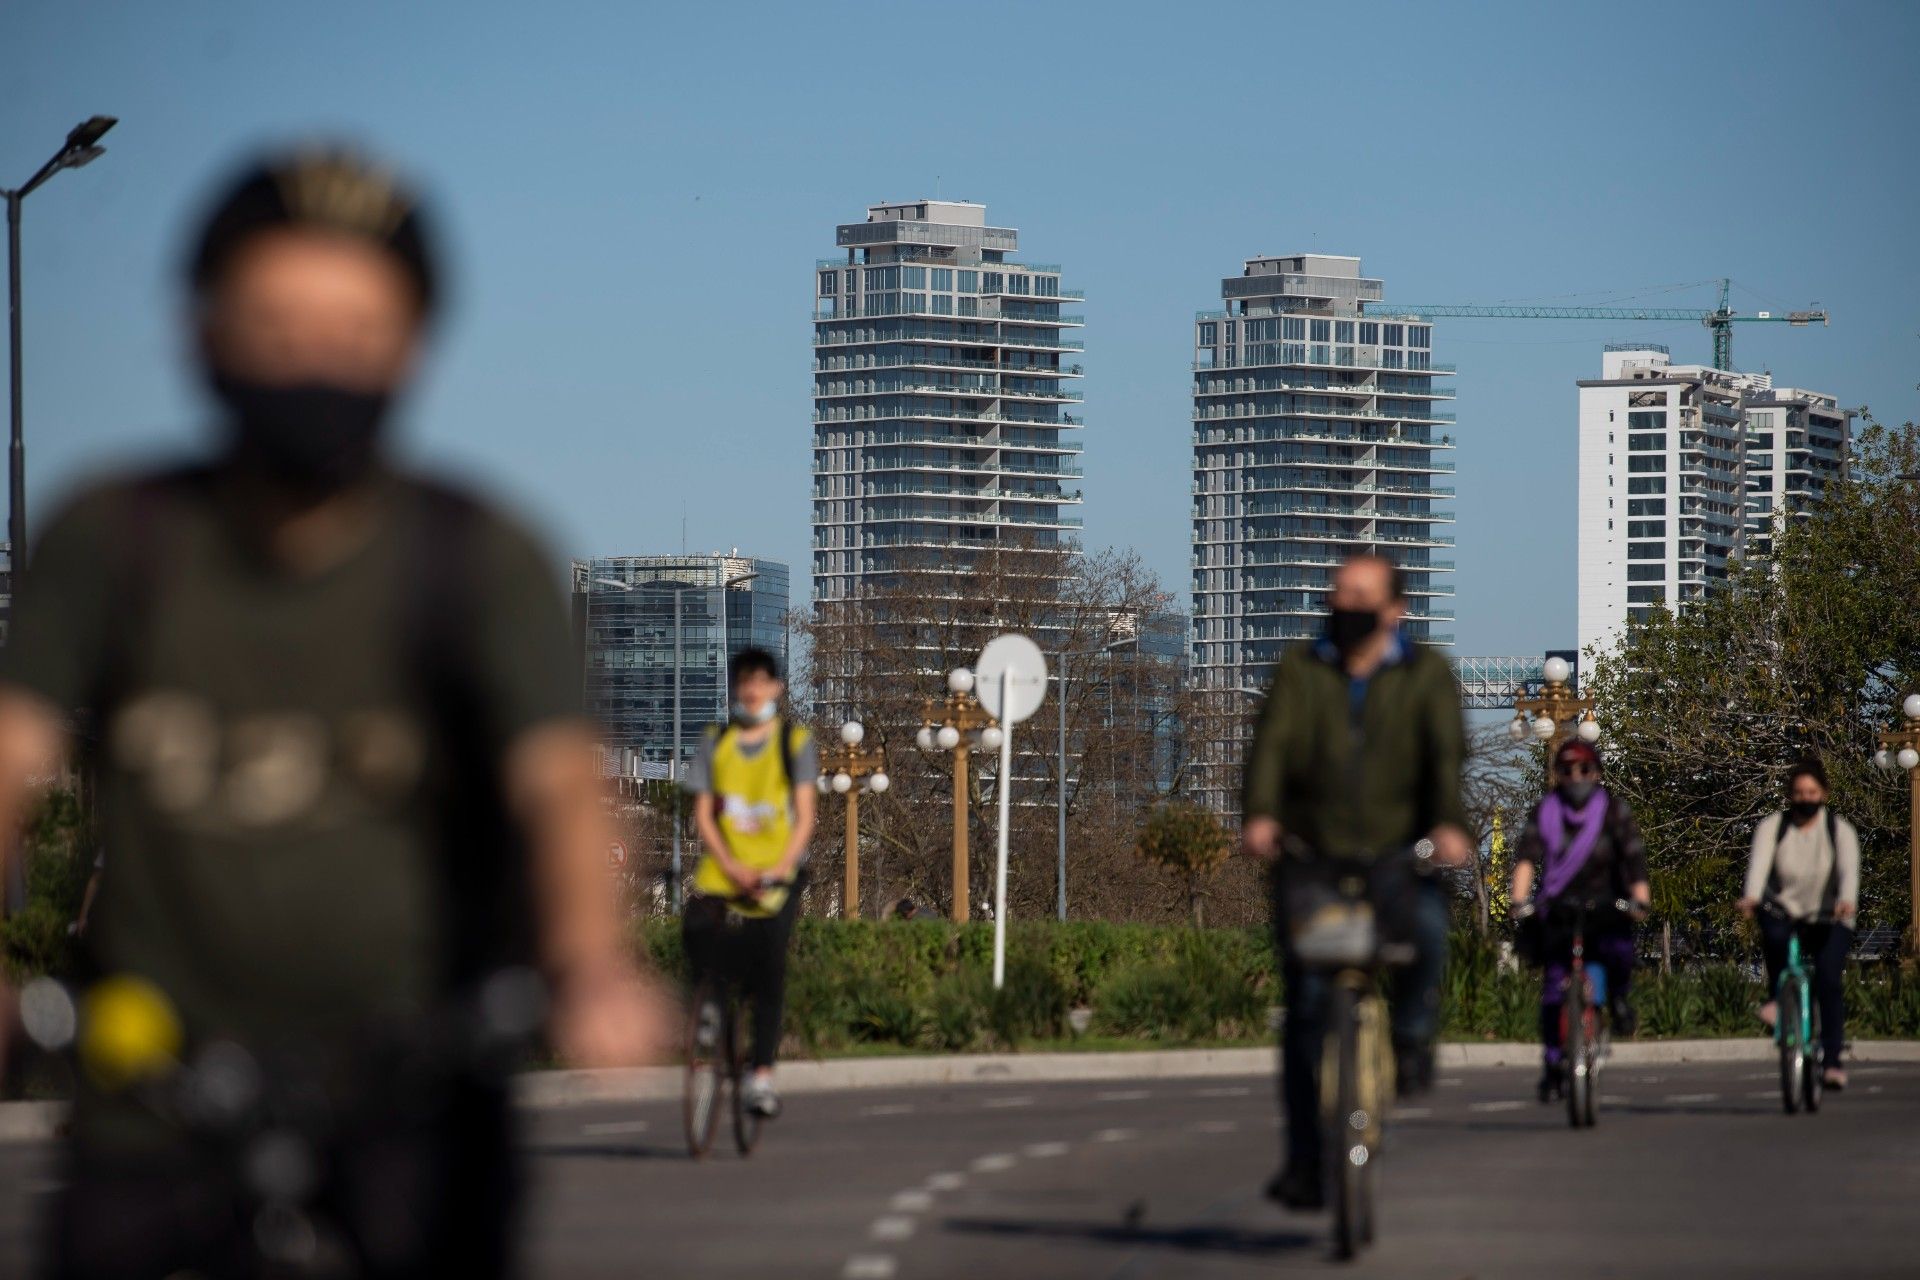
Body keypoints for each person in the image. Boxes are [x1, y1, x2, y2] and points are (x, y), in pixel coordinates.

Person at [0, 145, 666, 1278]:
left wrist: (592, 963)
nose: (316, 363)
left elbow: (557, 781)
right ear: (202, 329)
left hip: (413, 1095)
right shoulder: (116, 539)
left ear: (412, 347)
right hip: (152, 1091)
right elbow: (12, 752)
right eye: (276, 323)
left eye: (356, 333)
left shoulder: (473, 557)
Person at [1241, 553, 1471, 1212]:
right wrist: (1261, 816)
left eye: (1362, 596)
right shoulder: (1300, 668)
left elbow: (1444, 758)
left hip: (1399, 853)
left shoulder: (1425, 674)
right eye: (1339, 593)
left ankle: (1412, 1037)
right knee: (1306, 1010)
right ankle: (1305, 1162)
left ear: (1395, 609)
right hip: (1315, 854)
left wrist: (1448, 827)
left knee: (1428, 933)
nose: (1346, 605)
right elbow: (1272, 749)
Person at [681, 647, 817, 1119]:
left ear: (776, 687)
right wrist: (732, 866)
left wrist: (777, 869)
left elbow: (804, 817)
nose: (751, 689)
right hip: (726, 869)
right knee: (697, 930)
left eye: (760, 680)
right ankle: (710, 1010)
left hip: (776, 873)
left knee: (769, 969)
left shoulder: (793, 743)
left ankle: (761, 1076)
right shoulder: (714, 741)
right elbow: (703, 813)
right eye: (743, 681)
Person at [1509, 737, 1651, 1102]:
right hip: (1559, 905)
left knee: (1618, 950)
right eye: (1567, 770)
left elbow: (1633, 856)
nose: (1577, 777)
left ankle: (1617, 1000)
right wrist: (1519, 900)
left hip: (1605, 902)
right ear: (1557, 775)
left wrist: (1639, 897)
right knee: (1554, 985)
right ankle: (1553, 1063)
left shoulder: (1613, 811)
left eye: (1585, 769)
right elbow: (1527, 856)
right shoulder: (1546, 810)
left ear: (1598, 773)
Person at [1737, 758, 1859, 1090]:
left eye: (1812, 792)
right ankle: (1778, 999)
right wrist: (1750, 897)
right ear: (1790, 795)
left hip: (1829, 915)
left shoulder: (1839, 830)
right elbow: (1758, 867)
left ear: (1824, 794)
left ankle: (1832, 1061)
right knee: (1775, 938)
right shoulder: (1772, 827)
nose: (1806, 798)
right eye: (1799, 792)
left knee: (1829, 979)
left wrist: (1846, 900)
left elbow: (1849, 872)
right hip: (1783, 909)